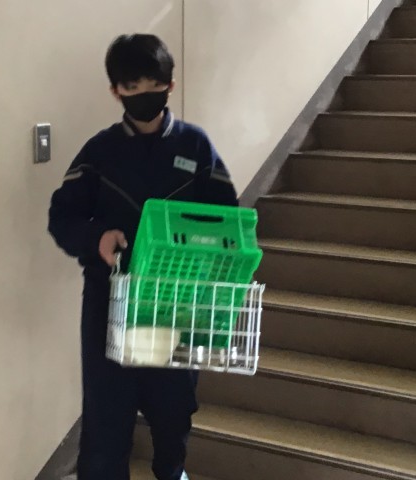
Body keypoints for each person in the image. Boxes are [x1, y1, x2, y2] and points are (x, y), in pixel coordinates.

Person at [48, 33, 238, 480]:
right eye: (132, 88)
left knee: (173, 412)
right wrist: (97, 238)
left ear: (170, 86)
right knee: (106, 418)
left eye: (153, 86)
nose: (143, 96)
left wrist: (206, 253)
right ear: (116, 91)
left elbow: (227, 217)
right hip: (111, 303)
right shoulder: (100, 152)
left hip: (177, 303)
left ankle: (172, 471)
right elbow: (62, 216)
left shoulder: (195, 147)